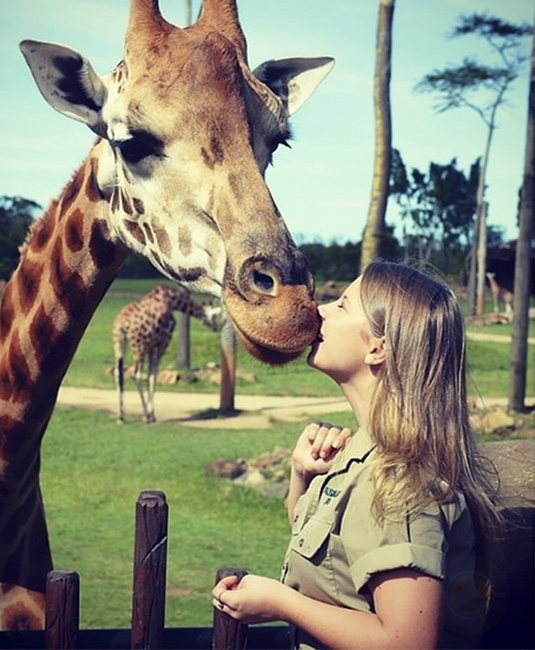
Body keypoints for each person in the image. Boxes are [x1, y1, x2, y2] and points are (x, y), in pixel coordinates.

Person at [212, 260, 499, 649]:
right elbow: (330, 554)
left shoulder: (402, 483)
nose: (320, 310)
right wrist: (303, 476)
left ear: (378, 348)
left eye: (342, 305)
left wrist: (282, 603)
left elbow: (407, 642)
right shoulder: (367, 453)